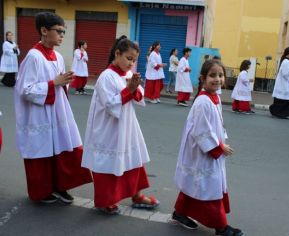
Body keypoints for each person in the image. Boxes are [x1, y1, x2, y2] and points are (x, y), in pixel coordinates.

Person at [14, 12, 92, 204]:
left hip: (57, 111)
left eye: (64, 31)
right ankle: (42, 192)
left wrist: (64, 80)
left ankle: (60, 186)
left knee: (62, 148)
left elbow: (58, 83)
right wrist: (54, 83)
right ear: (43, 31)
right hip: (39, 114)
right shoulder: (33, 56)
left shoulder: (57, 56)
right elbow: (25, 89)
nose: (62, 35)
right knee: (42, 152)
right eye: (59, 31)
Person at [82, 35, 160, 214]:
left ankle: (137, 195)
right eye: (129, 58)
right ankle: (106, 201)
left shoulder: (129, 73)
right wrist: (129, 90)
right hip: (108, 127)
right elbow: (110, 104)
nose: (132, 63)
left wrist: (135, 88)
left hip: (127, 126)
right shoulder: (106, 77)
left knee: (134, 159)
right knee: (108, 164)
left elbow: (139, 95)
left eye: (134, 60)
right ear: (117, 54)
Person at [171, 59, 243, 236]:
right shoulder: (203, 101)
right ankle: (221, 227)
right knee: (210, 186)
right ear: (203, 78)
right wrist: (218, 148)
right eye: (212, 75)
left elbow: (216, 124)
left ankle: (180, 212)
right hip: (203, 151)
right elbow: (202, 131)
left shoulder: (215, 97)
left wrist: (221, 140)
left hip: (208, 149)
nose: (217, 79)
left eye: (220, 75)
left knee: (196, 182)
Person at [269, 47, 289, 119]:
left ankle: (278, 112)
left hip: (284, 83)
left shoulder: (285, 61)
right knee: (284, 100)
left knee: (283, 100)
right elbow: (285, 74)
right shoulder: (286, 62)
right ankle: (279, 113)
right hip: (284, 84)